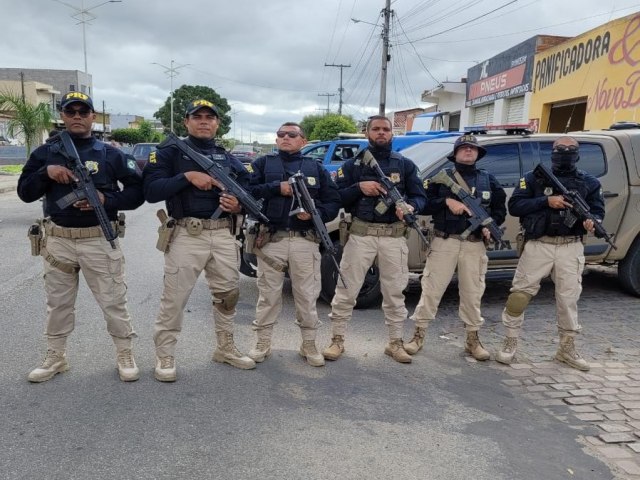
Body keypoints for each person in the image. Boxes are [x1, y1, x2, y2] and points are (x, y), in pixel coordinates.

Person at [18, 91, 144, 383]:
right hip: (59, 239)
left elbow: (138, 193)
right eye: (70, 111)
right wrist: (46, 173)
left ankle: (125, 353)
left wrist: (105, 199)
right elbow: (25, 192)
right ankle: (55, 356)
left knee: (113, 300)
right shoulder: (44, 153)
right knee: (58, 303)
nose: (77, 117)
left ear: (92, 117)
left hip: (98, 237)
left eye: (82, 112)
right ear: (62, 115)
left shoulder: (110, 153)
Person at [143, 99, 255, 381]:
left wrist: (237, 205)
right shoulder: (168, 152)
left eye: (210, 117)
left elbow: (248, 189)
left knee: (228, 294)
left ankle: (225, 347)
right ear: (187, 122)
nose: (204, 121)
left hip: (223, 233)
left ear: (218, 123)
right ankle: (165, 355)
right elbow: (152, 191)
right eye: (198, 117)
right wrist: (187, 176)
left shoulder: (225, 156)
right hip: (186, 234)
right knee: (175, 298)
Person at [323, 115, 427, 363]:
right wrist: (359, 187)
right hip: (361, 235)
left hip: (393, 237)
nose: (381, 133)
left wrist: (411, 207)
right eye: (376, 129)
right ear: (367, 133)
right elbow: (336, 197)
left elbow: (420, 196)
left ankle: (395, 342)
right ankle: (337, 340)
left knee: (394, 292)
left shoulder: (405, 165)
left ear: (392, 133)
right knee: (346, 290)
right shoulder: (352, 166)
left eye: (386, 129)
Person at [496, 135, 604, 371]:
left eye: (571, 148)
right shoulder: (533, 178)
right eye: (560, 148)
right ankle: (510, 341)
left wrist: (592, 222)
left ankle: (566, 348)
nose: (565, 151)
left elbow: (597, 211)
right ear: (552, 151)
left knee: (568, 300)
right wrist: (547, 201)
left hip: (571, 246)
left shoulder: (589, 182)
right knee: (520, 295)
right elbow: (514, 206)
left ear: (578, 153)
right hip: (539, 245)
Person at [404, 134, 507, 360]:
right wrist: (447, 202)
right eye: (464, 148)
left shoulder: (488, 180)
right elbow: (424, 203)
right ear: (456, 153)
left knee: (472, 293)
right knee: (431, 290)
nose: (468, 151)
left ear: (478, 153)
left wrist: (491, 225)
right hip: (445, 241)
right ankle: (417, 335)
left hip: (474, 245)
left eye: (472, 148)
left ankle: (472, 339)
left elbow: (500, 209)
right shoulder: (441, 179)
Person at [246, 123, 341, 366]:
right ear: (276, 139)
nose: (285, 138)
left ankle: (309, 344)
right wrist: (277, 188)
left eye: (292, 135)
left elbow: (333, 202)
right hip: (271, 239)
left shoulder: (316, 168)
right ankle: (262, 342)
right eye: (281, 134)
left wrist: (314, 213)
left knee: (307, 296)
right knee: (268, 295)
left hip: (305, 241)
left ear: (303, 140)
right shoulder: (262, 164)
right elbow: (247, 193)